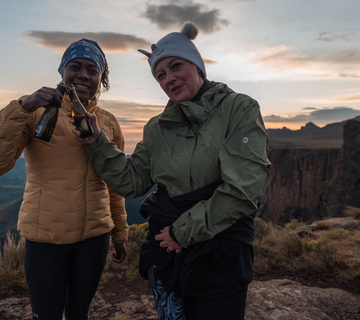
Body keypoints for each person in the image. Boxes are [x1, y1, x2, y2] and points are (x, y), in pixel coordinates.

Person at [70, 22, 271, 320]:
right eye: (160, 75)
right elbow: (132, 180)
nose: (169, 79)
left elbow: (244, 189)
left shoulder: (238, 109)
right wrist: (96, 142)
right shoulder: (157, 127)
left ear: (197, 65)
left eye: (176, 66)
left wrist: (182, 232)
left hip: (220, 252)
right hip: (168, 253)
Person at [0, 38, 128, 320]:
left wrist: (119, 232)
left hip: (95, 238)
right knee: (46, 315)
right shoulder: (36, 112)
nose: (84, 74)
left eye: (93, 70)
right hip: (45, 238)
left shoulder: (107, 121)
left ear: (100, 79)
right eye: (75, 66)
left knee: (78, 313)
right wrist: (23, 107)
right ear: (62, 71)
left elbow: (114, 183)